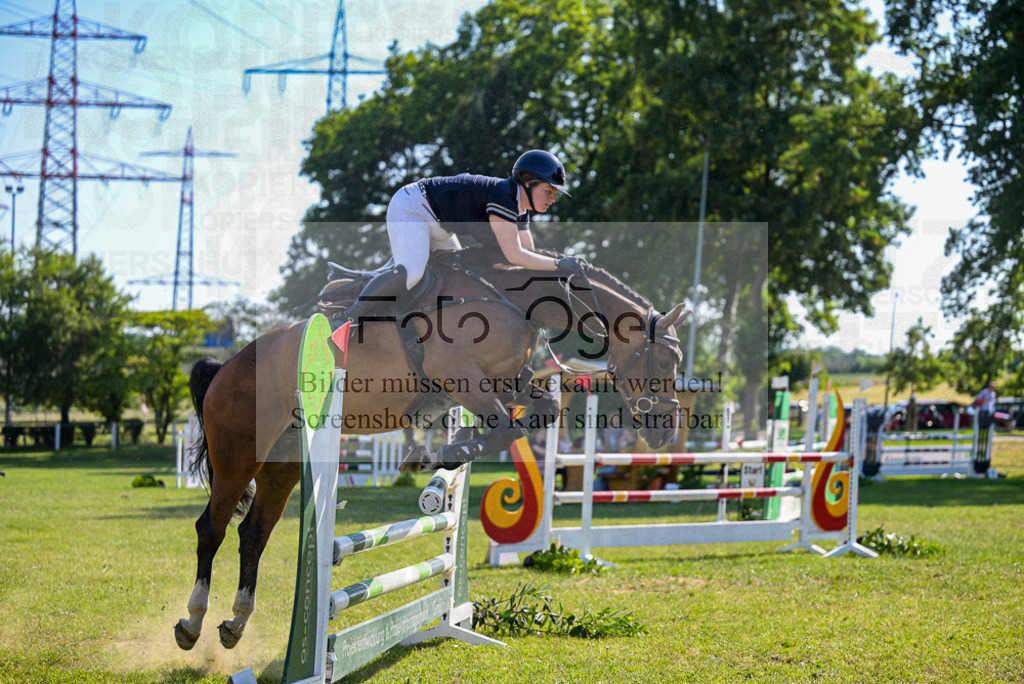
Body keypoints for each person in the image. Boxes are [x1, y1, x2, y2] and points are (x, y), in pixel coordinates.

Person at [342, 150, 584, 324]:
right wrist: (559, 264)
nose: (553, 198)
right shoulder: (504, 199)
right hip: (413, 207)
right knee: (413, 272)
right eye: (549, 190)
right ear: (528, 183)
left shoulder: (520, 208)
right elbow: (516, 255)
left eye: (555, 193)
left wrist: (558, 272)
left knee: (456, 273)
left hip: (440, 227)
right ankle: (347, 318)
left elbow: (530, 255)